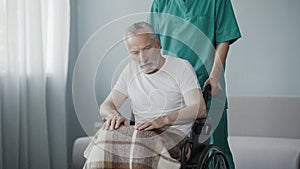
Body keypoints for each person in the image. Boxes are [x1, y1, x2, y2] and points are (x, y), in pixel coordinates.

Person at [83, 22, 206, 169]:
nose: (142, 58)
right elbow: (106, 106)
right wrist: (113, 115)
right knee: (107, 133)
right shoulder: (130, 71)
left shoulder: (181, 67)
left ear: (158, 44)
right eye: (135, 53)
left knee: (142, 140)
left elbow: (199, 108)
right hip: (142, 133)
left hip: (174, 135)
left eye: (147, 49)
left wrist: (163, 120)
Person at [148, 0, 241, 168]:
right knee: (174, 152)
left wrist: (214, 76)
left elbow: (224, 39)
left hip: (207, 86)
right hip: (173, 89)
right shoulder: (161, 3)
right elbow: (152, 44)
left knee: (215, 149)